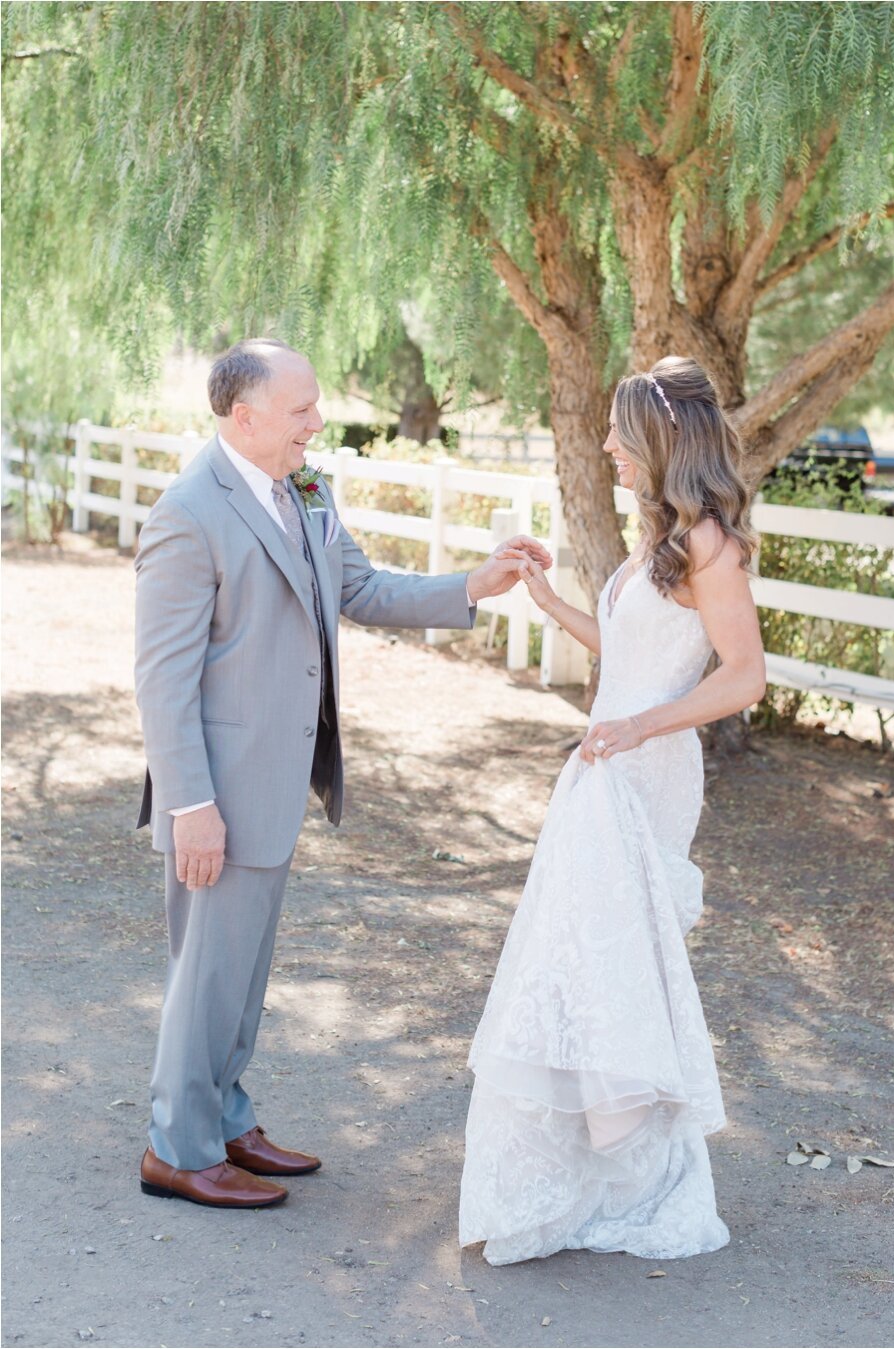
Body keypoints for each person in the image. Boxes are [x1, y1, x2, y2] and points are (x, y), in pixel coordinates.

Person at [134, 337, 551, 1209]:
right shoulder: (188, 512)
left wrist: (473, 584)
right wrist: (192, 806)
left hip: (279, 780)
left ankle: (227, 1120)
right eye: (301, 411)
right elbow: (161, 679)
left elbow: (357, 588)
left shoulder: (308, 490)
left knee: (241, 974)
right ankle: (177, 1147)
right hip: (217, 790)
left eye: (315, 406)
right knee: (206, 973)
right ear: (243, 418)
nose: (317, 424)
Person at [459, 355, 767, 1265]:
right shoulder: (662, 538)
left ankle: (634, 1168)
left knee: (613, 957)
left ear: (659, 439)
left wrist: (640, 726)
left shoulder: (711, 542)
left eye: (617, 433)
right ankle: (594, 1161)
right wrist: (553, 602)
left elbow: (742, 675)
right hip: (605, 761)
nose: (604, 446)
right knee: (579, 955)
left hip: (643, 769)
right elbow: (632, 649)